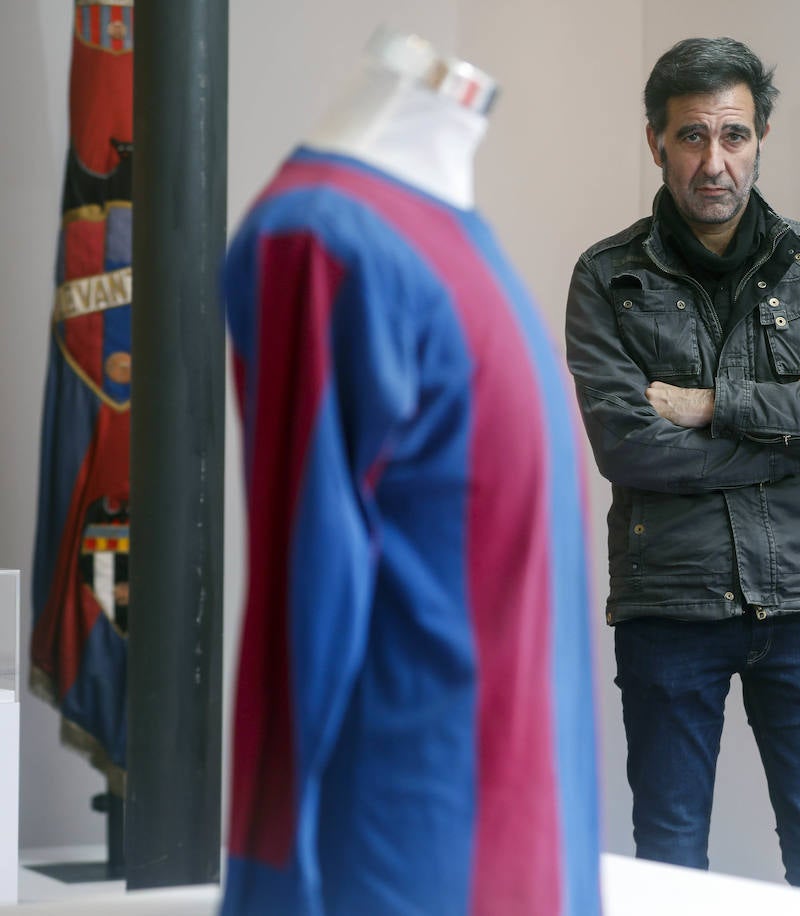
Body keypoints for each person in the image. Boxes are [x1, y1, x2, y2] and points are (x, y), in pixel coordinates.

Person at [221, 29, 601, 916]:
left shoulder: (456, 242)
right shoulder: (319, 239)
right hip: (407, 846)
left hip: (521, 833)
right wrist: (267, 890)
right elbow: (300, 594)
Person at [564, 37, 800, 897]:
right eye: (691, 137)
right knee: (672, 867)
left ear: (759, 138)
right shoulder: (608, 279)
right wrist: (798, 427)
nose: (714, 162)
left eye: (734, 135)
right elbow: (629, 445)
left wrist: (715, 404)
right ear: (655, 142)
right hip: (670, 607)